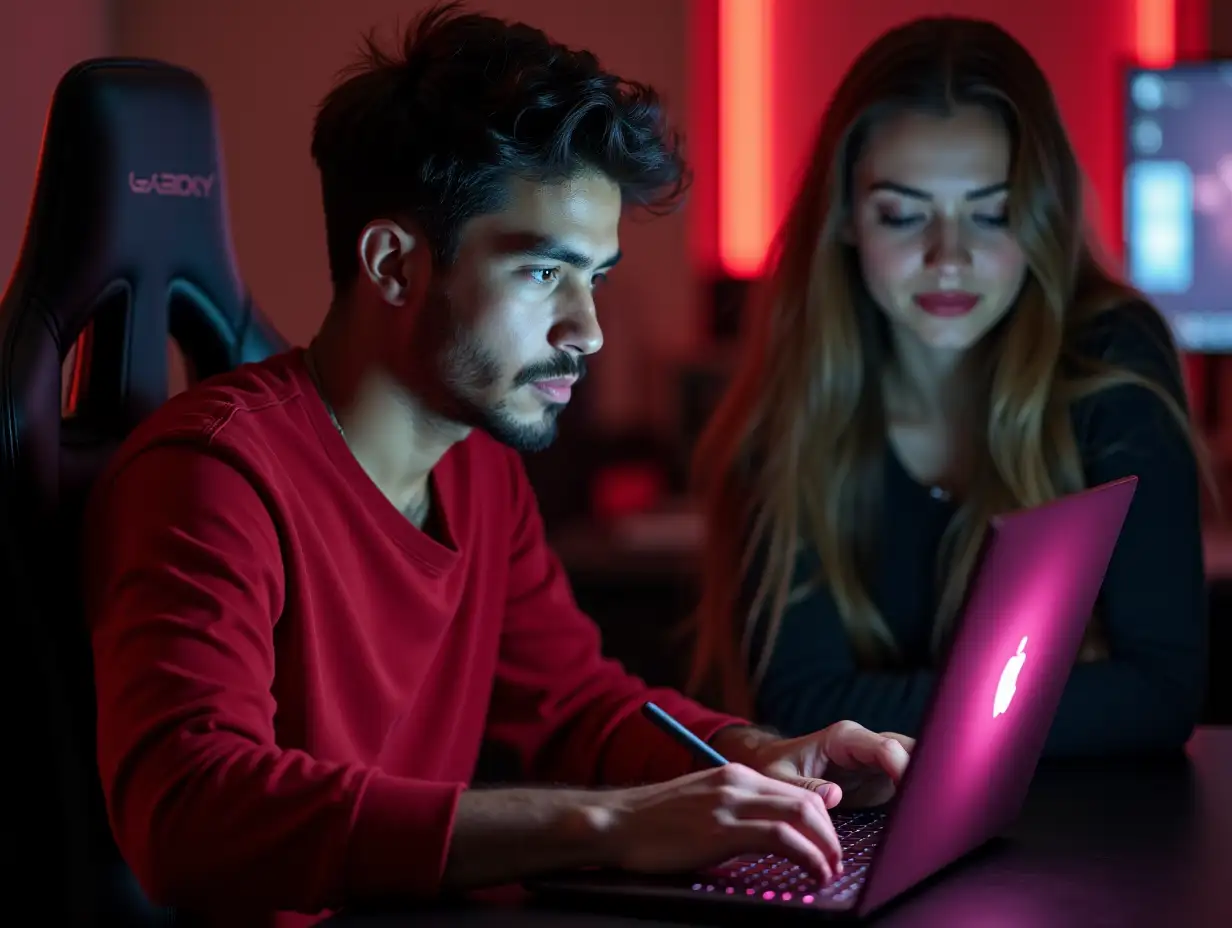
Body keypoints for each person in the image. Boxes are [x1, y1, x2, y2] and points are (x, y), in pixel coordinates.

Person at [82, 5, 913, 925]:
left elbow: (574, 706)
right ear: (394, 265)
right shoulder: (212, 474)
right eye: (542, 274)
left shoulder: (478, 468)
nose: (587, 330)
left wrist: (750, 754)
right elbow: (192, 814)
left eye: (593, 278)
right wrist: (602, 824)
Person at [688, 17, 1210, 759]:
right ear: (845, 218)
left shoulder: (1111, 360)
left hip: (1087, 840)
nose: (949, 256)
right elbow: (799, 705)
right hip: (862, 844)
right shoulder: (800, 394)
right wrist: (1067, 699)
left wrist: (872, 710)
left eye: (992, 213)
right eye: (903, 214)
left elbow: (1159, 695)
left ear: (1041, 218)